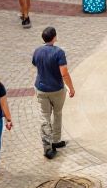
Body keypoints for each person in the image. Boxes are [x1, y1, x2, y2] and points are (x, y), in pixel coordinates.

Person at [32, 26, 75, 160]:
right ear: (54, 37)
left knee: (45, 116)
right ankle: (55, 140)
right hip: (57, 89)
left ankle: (48, 144)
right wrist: (71, 88)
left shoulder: (37, 51)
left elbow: (35, 64)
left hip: (41, 88)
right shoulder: (59, 53)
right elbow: (64, 73)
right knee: (57, 113)